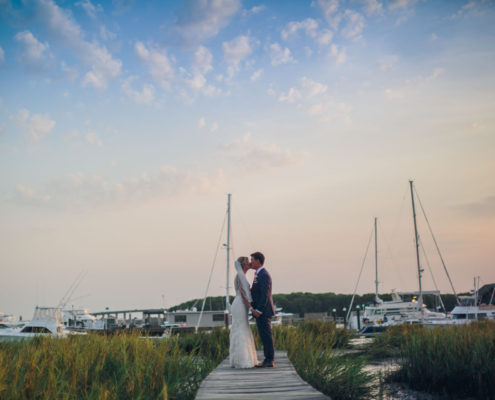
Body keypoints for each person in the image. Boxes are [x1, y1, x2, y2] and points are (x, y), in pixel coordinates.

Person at [229, 256, 259, 368]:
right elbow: (243, 293)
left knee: (244, 327)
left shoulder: (243, 276)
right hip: (240, 304)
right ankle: (242, 360)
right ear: (243, 265)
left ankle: (246, 357)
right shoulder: (239, 276)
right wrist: (251, 308)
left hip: (242, 304)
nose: (250, 264)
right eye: (248, 263)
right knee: (241, 328)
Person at [250, 251, 276, 368]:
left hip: (263, 311)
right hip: (260, 312)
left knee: (266, 335)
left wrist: (259, 310)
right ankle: (267, 358)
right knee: (264, 335)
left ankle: (269, 359)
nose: (251, 262)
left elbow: (265, 294)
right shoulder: (258, 274)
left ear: (258, 261)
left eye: (252, 260)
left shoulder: (264, 275)